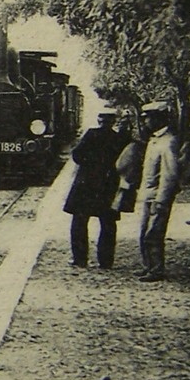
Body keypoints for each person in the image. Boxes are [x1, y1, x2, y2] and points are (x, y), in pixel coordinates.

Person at [63, 111, 127, 269]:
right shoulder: (119, 138)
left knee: (79, 221)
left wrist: (90, 164)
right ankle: (106, 261)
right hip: (108, 184)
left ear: (99, 120)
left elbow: (77, 155)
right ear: (113, 121)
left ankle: (80, 259)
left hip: (86, 184)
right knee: (108, 223)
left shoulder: (91, 134)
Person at [136, 102, 182, 282]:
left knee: (153, 234)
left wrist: (162, 199)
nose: (146, 121)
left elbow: (170, 174)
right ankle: (148, 265)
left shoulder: (169, 141)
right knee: (144, 232)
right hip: (148, 195)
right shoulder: (155, 139)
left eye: (148, 118)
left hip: (157, 196)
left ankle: (156, 269)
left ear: (158, 118)